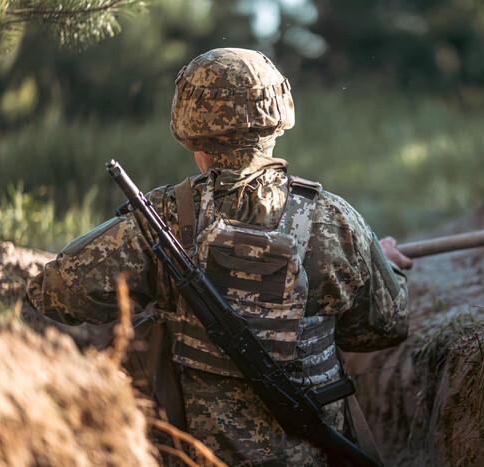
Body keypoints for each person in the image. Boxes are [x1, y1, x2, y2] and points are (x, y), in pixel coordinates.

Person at [26, 48, 412, 465]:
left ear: (191, 130)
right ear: (277, 118)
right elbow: (386, 327)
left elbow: (56, 290)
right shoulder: (337, 221)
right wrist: (380, 260)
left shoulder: (162, 219)